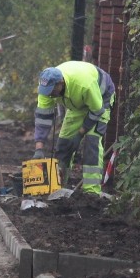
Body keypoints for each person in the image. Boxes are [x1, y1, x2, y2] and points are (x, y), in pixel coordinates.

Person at [32, 61, 115, 195]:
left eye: (52, 91)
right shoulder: (46, 90)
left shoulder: (84, 85)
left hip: (100, 101)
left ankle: (91, 192)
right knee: (63, 145)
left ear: (61, 83)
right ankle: (57, 188)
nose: (50, 95)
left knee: (91, 143)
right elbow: (43, 119)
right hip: (77, 105)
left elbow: (96, 110)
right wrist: (39, 148)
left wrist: (79, 134)